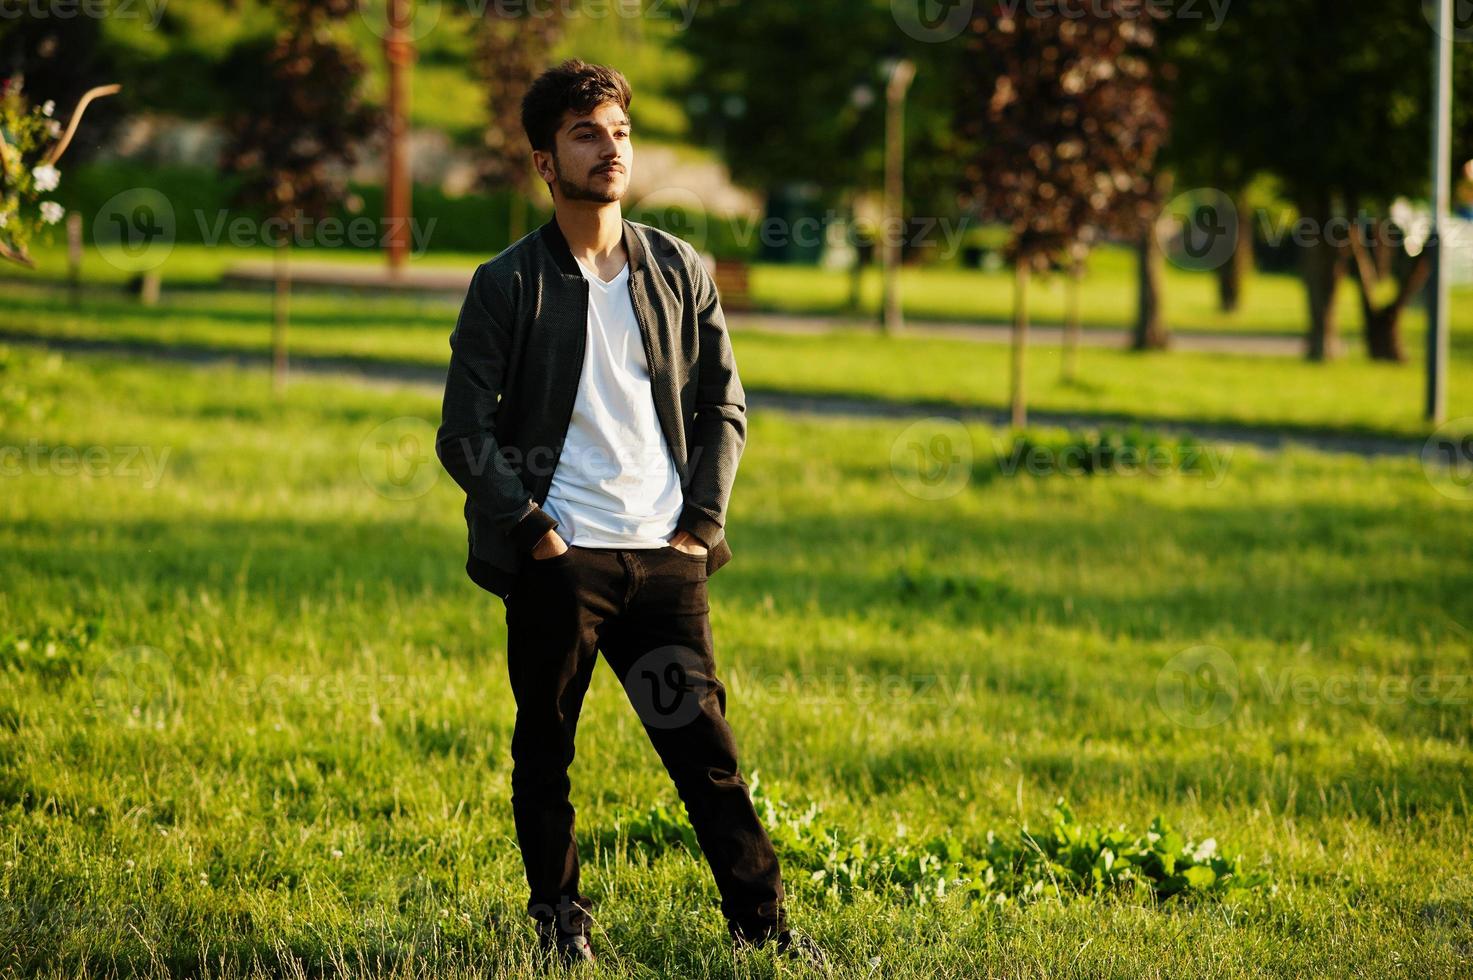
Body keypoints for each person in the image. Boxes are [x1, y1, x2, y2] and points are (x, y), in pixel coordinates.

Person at [435, 59, 827, 971]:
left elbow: (725, 406)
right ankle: (559, 921)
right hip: (561, 566)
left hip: (663, 563)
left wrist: (699, 526)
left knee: (706, 758)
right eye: (584, 133)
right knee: (546, 752)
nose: (608, 149)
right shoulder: (508, 283)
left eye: (617, 131)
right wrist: (532, 529)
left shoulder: (678, 268)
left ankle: (762, 930)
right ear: (544, 161)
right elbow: (463, 431)